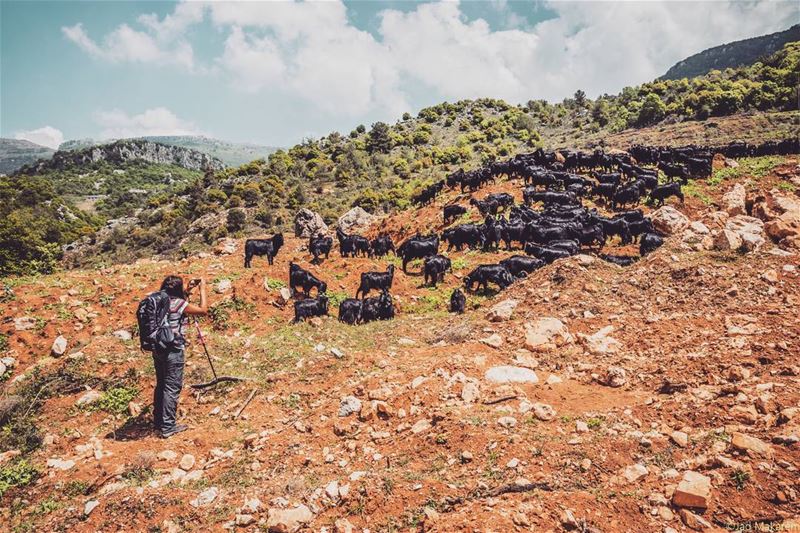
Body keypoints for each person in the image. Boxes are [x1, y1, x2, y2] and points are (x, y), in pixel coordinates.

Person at [153, 275, 207, 438]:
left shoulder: (158, 301)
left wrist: (188, 290)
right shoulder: (179, 303)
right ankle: (168, 426)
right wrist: (203, 290)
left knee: (161, 384)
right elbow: (203, 310)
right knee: (172, 387)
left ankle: (158, 422)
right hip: (174, 349)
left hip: (158, 347)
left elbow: (175, 301)